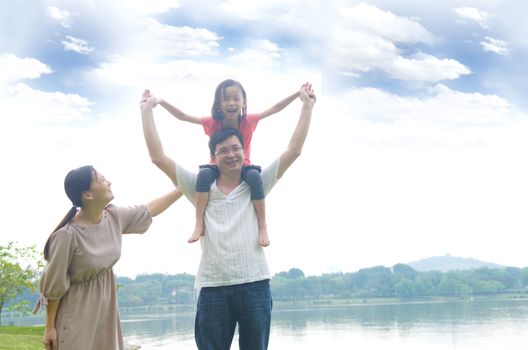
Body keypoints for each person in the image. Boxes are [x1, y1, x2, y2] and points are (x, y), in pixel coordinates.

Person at [140, 83, 316, 350]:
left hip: (255, 284)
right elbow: (157, 157)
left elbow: (294, 150)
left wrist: (306, 106)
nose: (231, 154)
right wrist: (147, 111)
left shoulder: (256, 183)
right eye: (223, 151)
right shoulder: (200, 187)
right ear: (213, 156)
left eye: (236, 148)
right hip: (213, 288)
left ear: (244, 152)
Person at [32, 166, 182, 350]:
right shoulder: (67, 236)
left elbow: (149, 210)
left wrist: (183, 187)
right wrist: (50, 327)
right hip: (76, 310)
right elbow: (54, 287)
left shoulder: (113, 216)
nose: (109, 182)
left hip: (106, 308)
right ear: (88, 195)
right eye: (102, 180)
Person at [143, 80, 306, 246]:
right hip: (215, 166)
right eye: (226, 99)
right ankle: (199, 223)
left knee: (255, 177)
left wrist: (297, 94)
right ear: (219, 103)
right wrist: (161, 102)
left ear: (244, 102)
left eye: (236, 98)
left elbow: (275, 108)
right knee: (204, 175)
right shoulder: (213, 122)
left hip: (244, 166)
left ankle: (262, 225)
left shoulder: (248, 121)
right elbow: (183, 116)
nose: (231, 103)